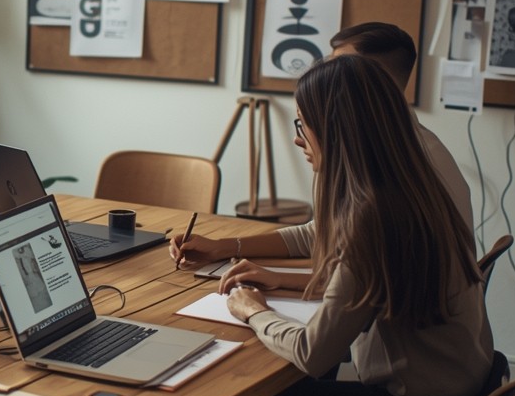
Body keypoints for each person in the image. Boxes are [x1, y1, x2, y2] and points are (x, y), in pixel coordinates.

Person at [170, 55, 495, 396]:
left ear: (338, 130)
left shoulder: (376, 220)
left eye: (303, 123)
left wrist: (253, 310)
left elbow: (314, 354)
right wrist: (266, 271)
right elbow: (351, 275)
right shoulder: (412, 193)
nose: (298, 138)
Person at [171, 22, 473, 293]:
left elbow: (374, 282)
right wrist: (224, 247)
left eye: (340, 68)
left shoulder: (409, 164)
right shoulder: (368, 144)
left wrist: (275, 282)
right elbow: (322, 233)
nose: (326, 77)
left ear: (371, 82)